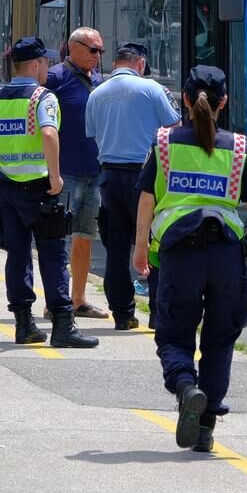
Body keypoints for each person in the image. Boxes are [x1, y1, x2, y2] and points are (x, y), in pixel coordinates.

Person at [132, 65, 247, 452]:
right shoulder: (237, 147)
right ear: (224, 102)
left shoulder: (164, 143)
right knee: (219, 340)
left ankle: (186, 389)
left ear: (184, 99)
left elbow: (147, 199)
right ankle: (205, 428)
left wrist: (138, 247)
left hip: (180, 256)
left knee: (173, 334)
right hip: (225, 256)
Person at [0, 36, 97, 349]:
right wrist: (55, 176)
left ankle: (24, 323)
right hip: (42, 188)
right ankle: (62, 325)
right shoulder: (43, 97)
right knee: (53, 253)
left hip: (6, 186)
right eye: (45, 62)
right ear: (35, 64)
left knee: (17, 254)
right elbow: (48, 134)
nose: (48, 67)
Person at [85, 41, 179, 329]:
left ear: (117, 62)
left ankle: (123, 314)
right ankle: (158, 312)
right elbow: (173, 129)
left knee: (116, 249)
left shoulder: (96, 94)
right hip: (146, 177)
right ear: (140, 63)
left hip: (110, 178)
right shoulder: (152, 89)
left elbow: (92, 135)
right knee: (154, 244)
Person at [44, 27, 106, 319]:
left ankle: (79, 299)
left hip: (93, 172)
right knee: (57, 239)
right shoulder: (55, 77)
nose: (98, 56)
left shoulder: (98, 79)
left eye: (100, 51)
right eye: (93, 50)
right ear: (74, 48)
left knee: (84, 237)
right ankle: (55, 302)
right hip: (64, 172)